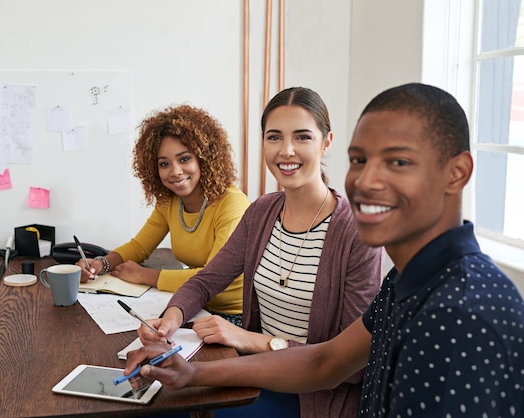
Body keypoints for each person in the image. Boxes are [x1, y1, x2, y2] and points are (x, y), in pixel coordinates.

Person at [125, 83, 524, 417]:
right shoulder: (407, 278)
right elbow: (327, 361)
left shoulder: (462, 309)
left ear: (458, 173)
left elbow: (339, 374)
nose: (368, 181)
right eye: (360, 160)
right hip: (282, 372)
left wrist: (248, 341)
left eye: (398, 162)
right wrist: (189, 368)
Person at [138, 87, 383, 418]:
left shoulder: (356, 232)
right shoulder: (262, 212)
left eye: (302, 137)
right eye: (274, 137)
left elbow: (350, 365)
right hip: (257, 372)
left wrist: (251, 340)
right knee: (155, 400)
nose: (287, 150)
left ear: (326, 143)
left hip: (315, 396)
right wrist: (171, 320)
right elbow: (205, 282)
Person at [78, 105, 250, 318]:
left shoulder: (232, 205)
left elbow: (212, 277)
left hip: (234, 315)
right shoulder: (169, 202)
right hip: (193, 303)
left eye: (184, 159)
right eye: (164, 163)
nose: (175, 171)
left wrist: (144, 275)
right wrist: (101, 264)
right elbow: (139, 246)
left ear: (204, 158)